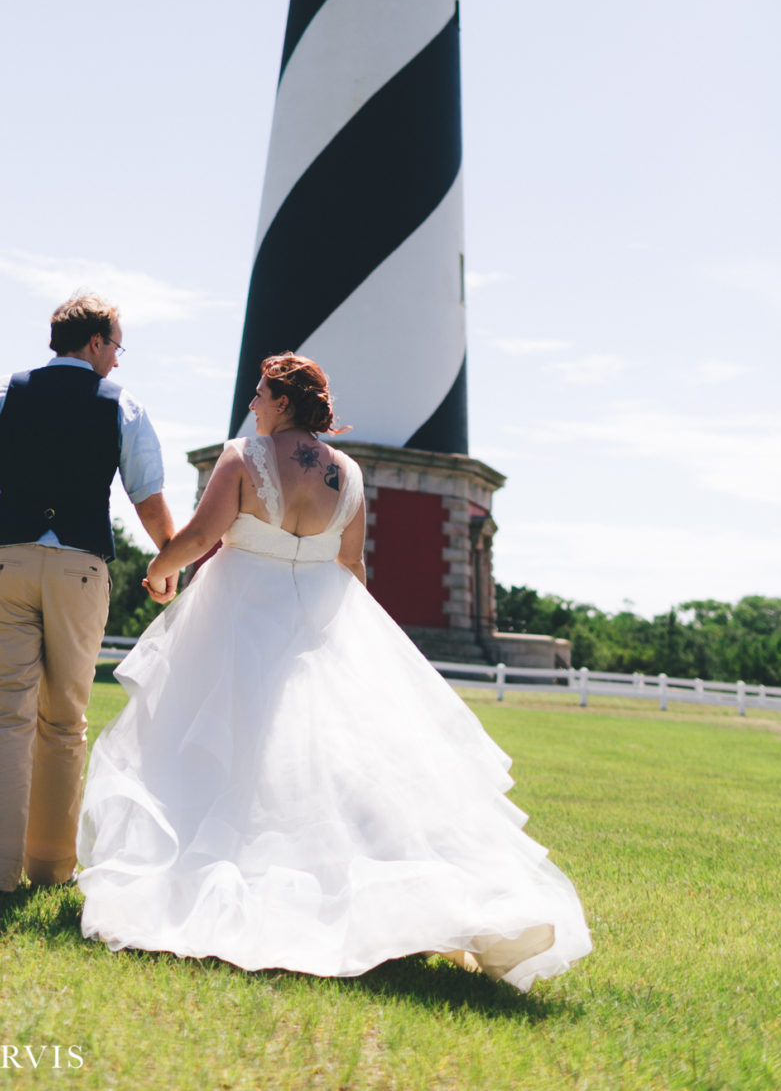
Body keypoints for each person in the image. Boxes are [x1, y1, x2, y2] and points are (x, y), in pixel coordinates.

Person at [76, 352, 592, 989]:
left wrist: (160, 571)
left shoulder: (241, 458)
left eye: (260, 393)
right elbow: (352, 566)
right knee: (325, 767)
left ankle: (216, 888)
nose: (252, 404)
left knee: (224, 759)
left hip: (236, 617)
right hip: (317, 621)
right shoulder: (346, 473)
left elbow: (202, 535)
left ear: (284, 402)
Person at [0, 291, 175, 899]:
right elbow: (147, 498)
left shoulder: (2, 392)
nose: (119, 361)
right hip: (80, 572)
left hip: (11, 563)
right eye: (117, 347)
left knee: (2, 714)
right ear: (96, 342)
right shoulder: (122, 406)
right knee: (65, 721)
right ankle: (50, 867)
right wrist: (173, 559)